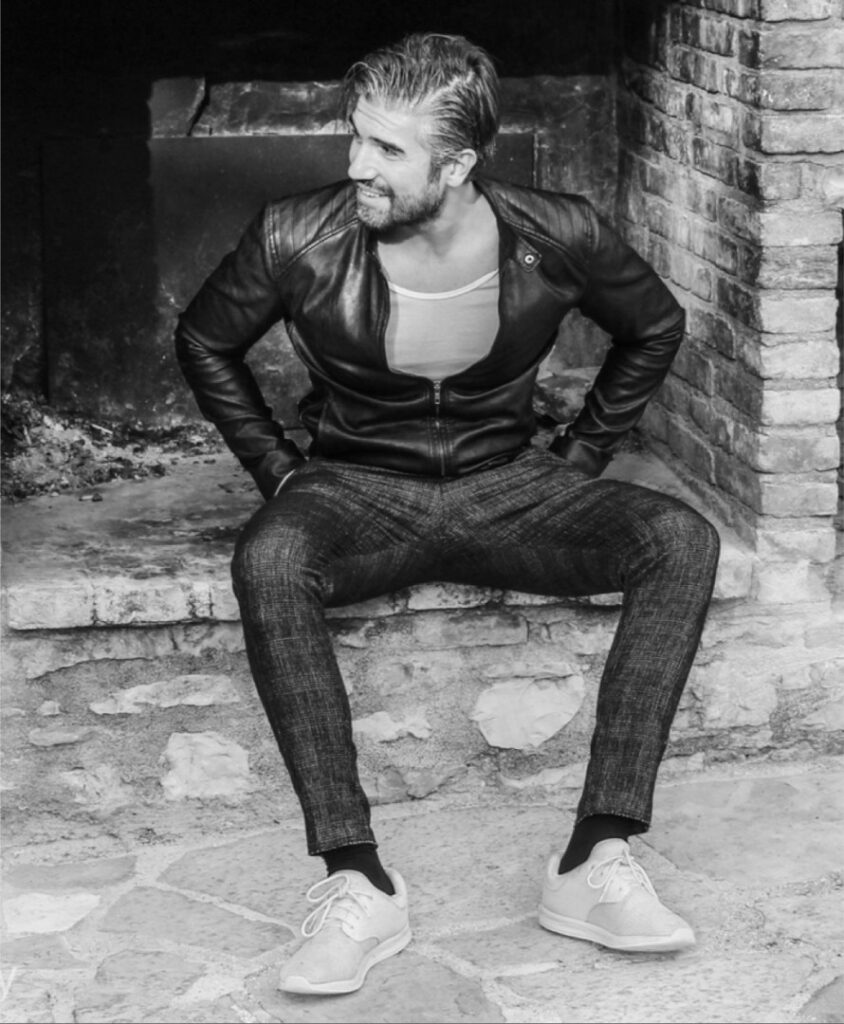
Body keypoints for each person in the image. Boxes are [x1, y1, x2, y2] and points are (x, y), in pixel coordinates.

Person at [175, 31, 720, 996]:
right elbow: (205, 340)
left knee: (679, 539)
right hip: (356, 486)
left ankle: (595, 858)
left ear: (458, 164)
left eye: (388, 148)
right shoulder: (296, 233)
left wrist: (581, 456)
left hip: (506, 482)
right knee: (269, 560)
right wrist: (279, 471)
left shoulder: (559, 231)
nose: (357, 164)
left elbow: (655, 326)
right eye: (356, 136)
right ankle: (359, 882)